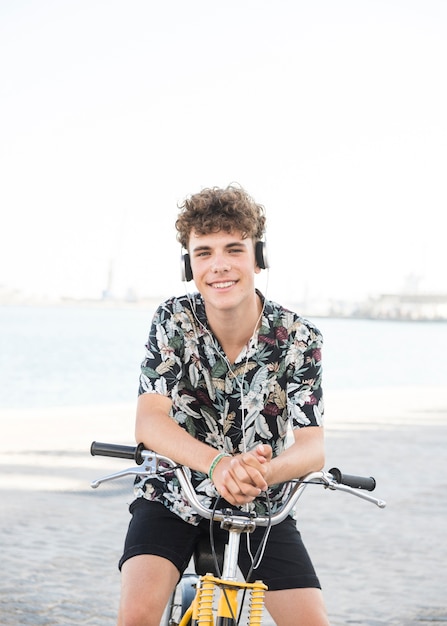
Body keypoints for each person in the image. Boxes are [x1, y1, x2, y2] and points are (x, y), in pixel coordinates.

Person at [117, 184, 329, 626]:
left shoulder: (299, 337)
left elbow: (312, 447)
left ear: (258, 256)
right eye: (203, 252)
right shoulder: (172, 320)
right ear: (188, 263)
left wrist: (259, 475)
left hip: (261, 505)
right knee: (136, 616)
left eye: (234, 249)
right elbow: (149, 421)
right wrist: (219, 466)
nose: (219, 266)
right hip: (173, 494)